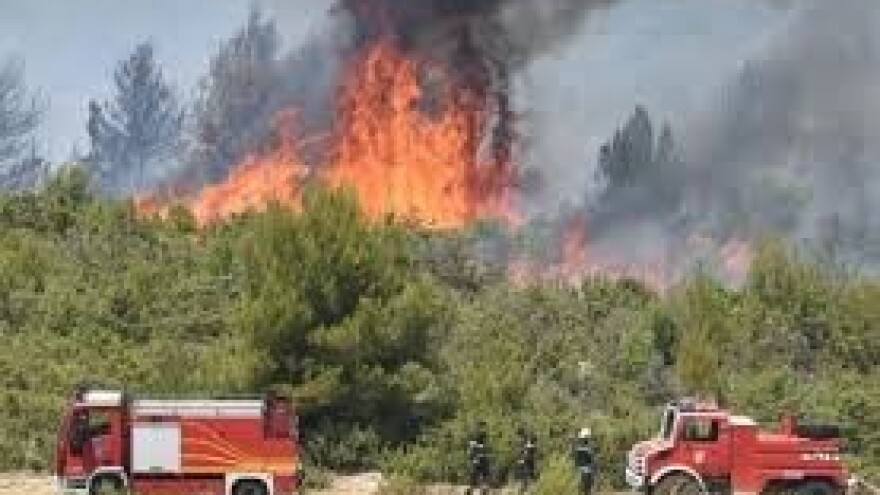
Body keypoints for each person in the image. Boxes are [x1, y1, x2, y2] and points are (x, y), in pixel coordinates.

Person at [467, 422, 491, 494]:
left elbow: (483, 449)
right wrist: (474, 457)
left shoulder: (482, 437)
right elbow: (472, 451)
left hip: (482, 459)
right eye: (482, 427)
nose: (483, 429)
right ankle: (472, 490)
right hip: (478, 460)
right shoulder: (475, 437)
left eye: (484, 427)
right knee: (476, 477)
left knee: (483, 476)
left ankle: (482, 489)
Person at [572, 427, 597, 495]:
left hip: (578, 470)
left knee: (579, 489)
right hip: (587, 470)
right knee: (587, 490)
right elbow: (592, 460)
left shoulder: (577, 447)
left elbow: (575, 460)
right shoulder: (589, 448)